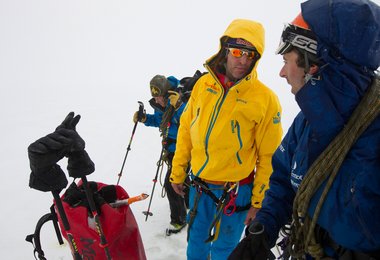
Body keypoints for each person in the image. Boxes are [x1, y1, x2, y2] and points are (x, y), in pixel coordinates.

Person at [229, 0, 380, 259]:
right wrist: (263, 229)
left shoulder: (374, 136)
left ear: (315, 64)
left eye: (287, 60)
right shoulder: (306, 122)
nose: (282, 72)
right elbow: (284, 180)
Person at [170, 19, 283, 260]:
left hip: (237, 192)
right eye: (237, 52)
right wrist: (177, 171)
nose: (243, 60)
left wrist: (259, 202)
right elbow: (186, 131)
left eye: (250, 55)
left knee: (226, 251)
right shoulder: (203, 85)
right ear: (225, 50)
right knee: (196, 246)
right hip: (200, 186)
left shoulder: (265, 99)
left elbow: (269, 156)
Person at [133, 74, 188, 234]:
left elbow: (191, 122)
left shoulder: (181, 102)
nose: (156, 101)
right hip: (171, 150)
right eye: (154, 98)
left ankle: (179, 220)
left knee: (171, 184)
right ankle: (188, 203)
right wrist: (144, 119)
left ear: (166, 94)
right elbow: (159, 121)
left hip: (185, 151)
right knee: (183, 180)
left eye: (159, 98)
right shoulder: (161, 104)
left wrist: (178, 106)